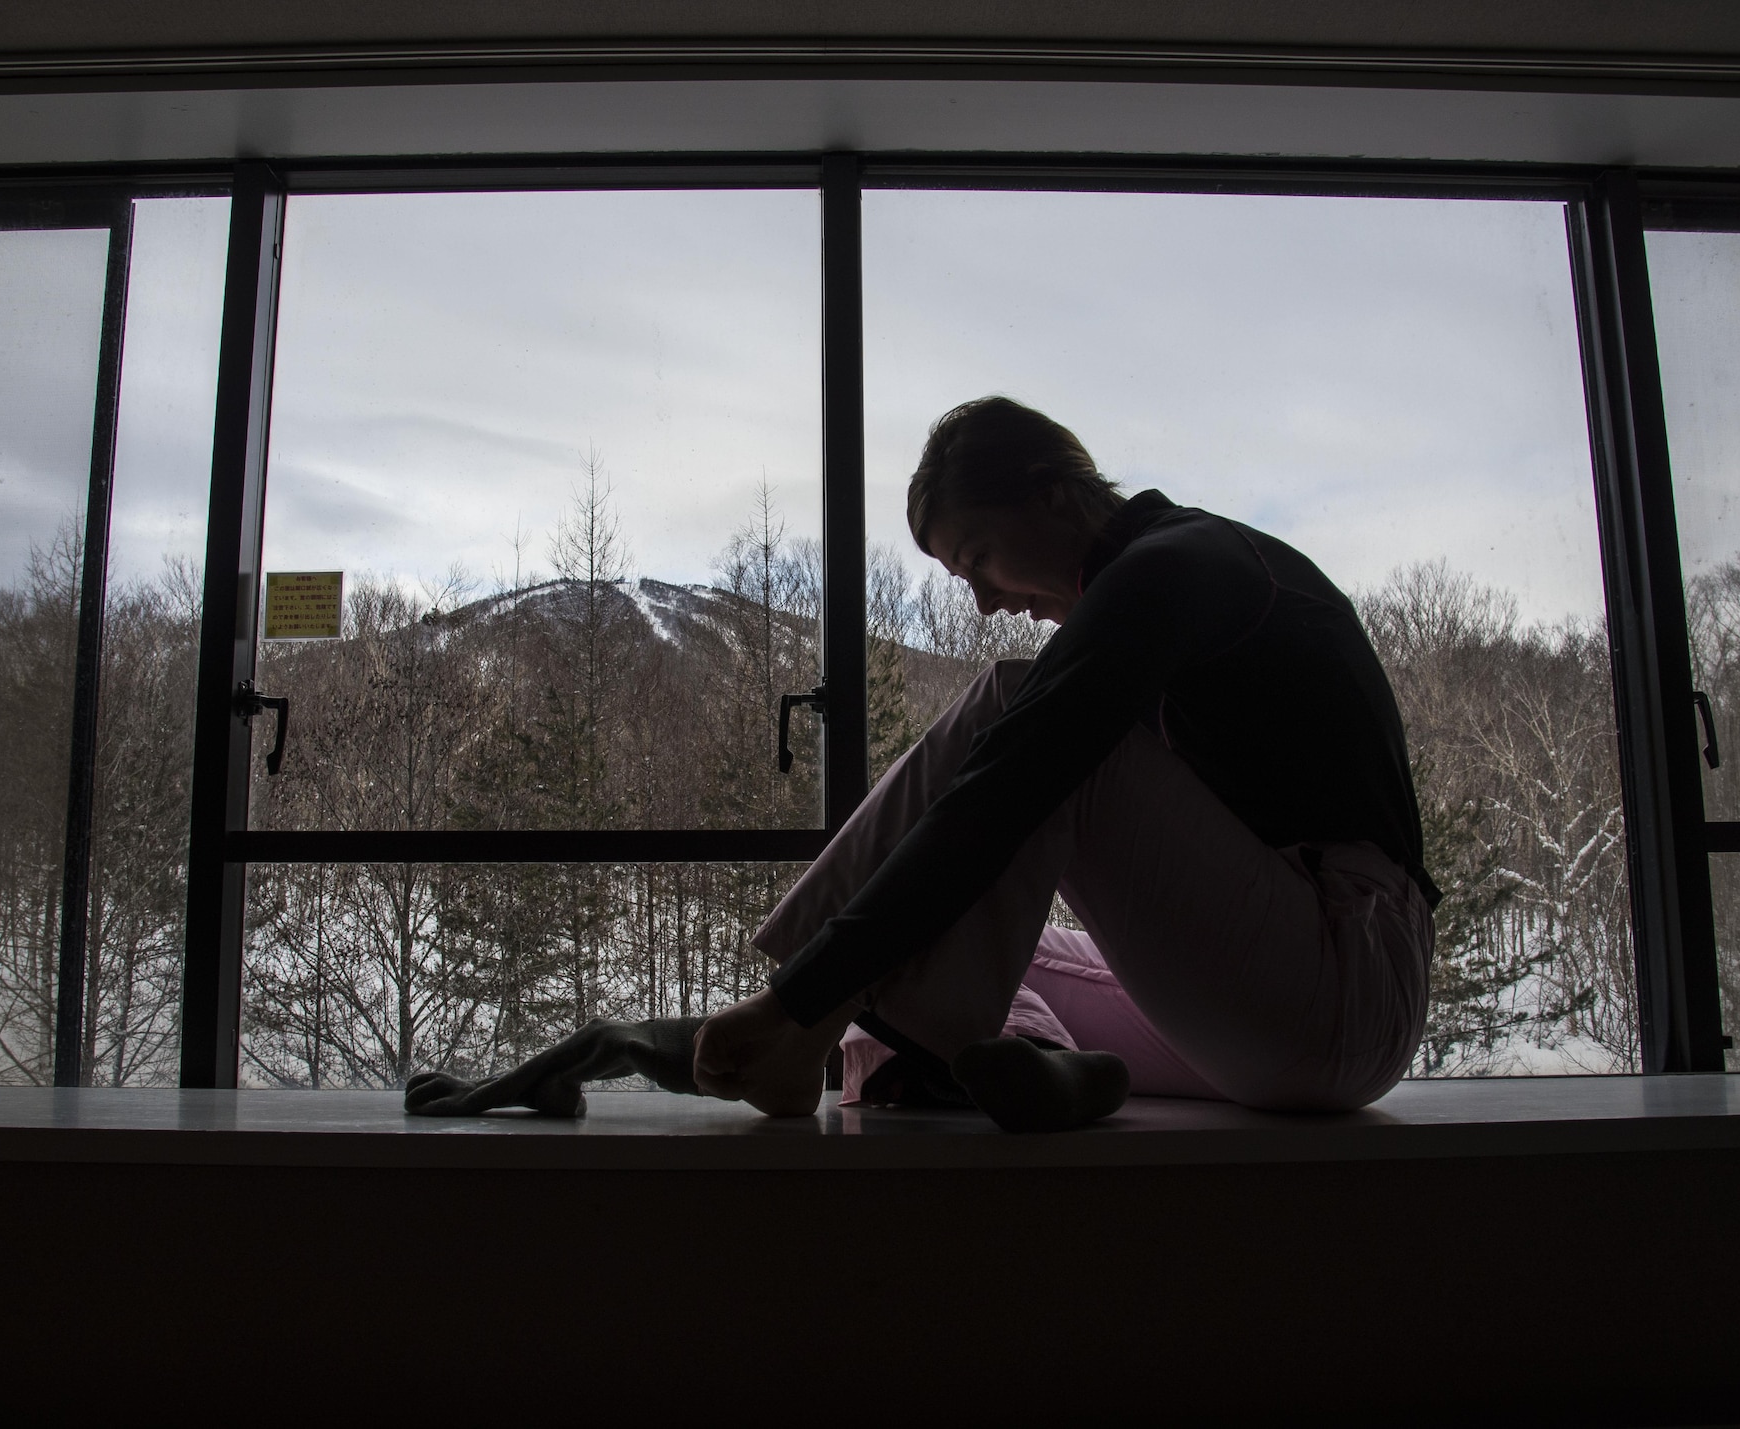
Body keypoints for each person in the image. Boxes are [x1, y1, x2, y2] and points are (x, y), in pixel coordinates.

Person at [406, 396, 1437, 1132]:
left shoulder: (1176, 568)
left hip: (1342, 984)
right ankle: (1053, 1069)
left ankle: (791, 1034)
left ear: (1052, 494)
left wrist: (800, 993)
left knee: (1010, 708)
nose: (984, 597)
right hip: (1275, 1019)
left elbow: (1009, 785)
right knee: (964, 952)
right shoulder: (1169, 584)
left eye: (979, 557)